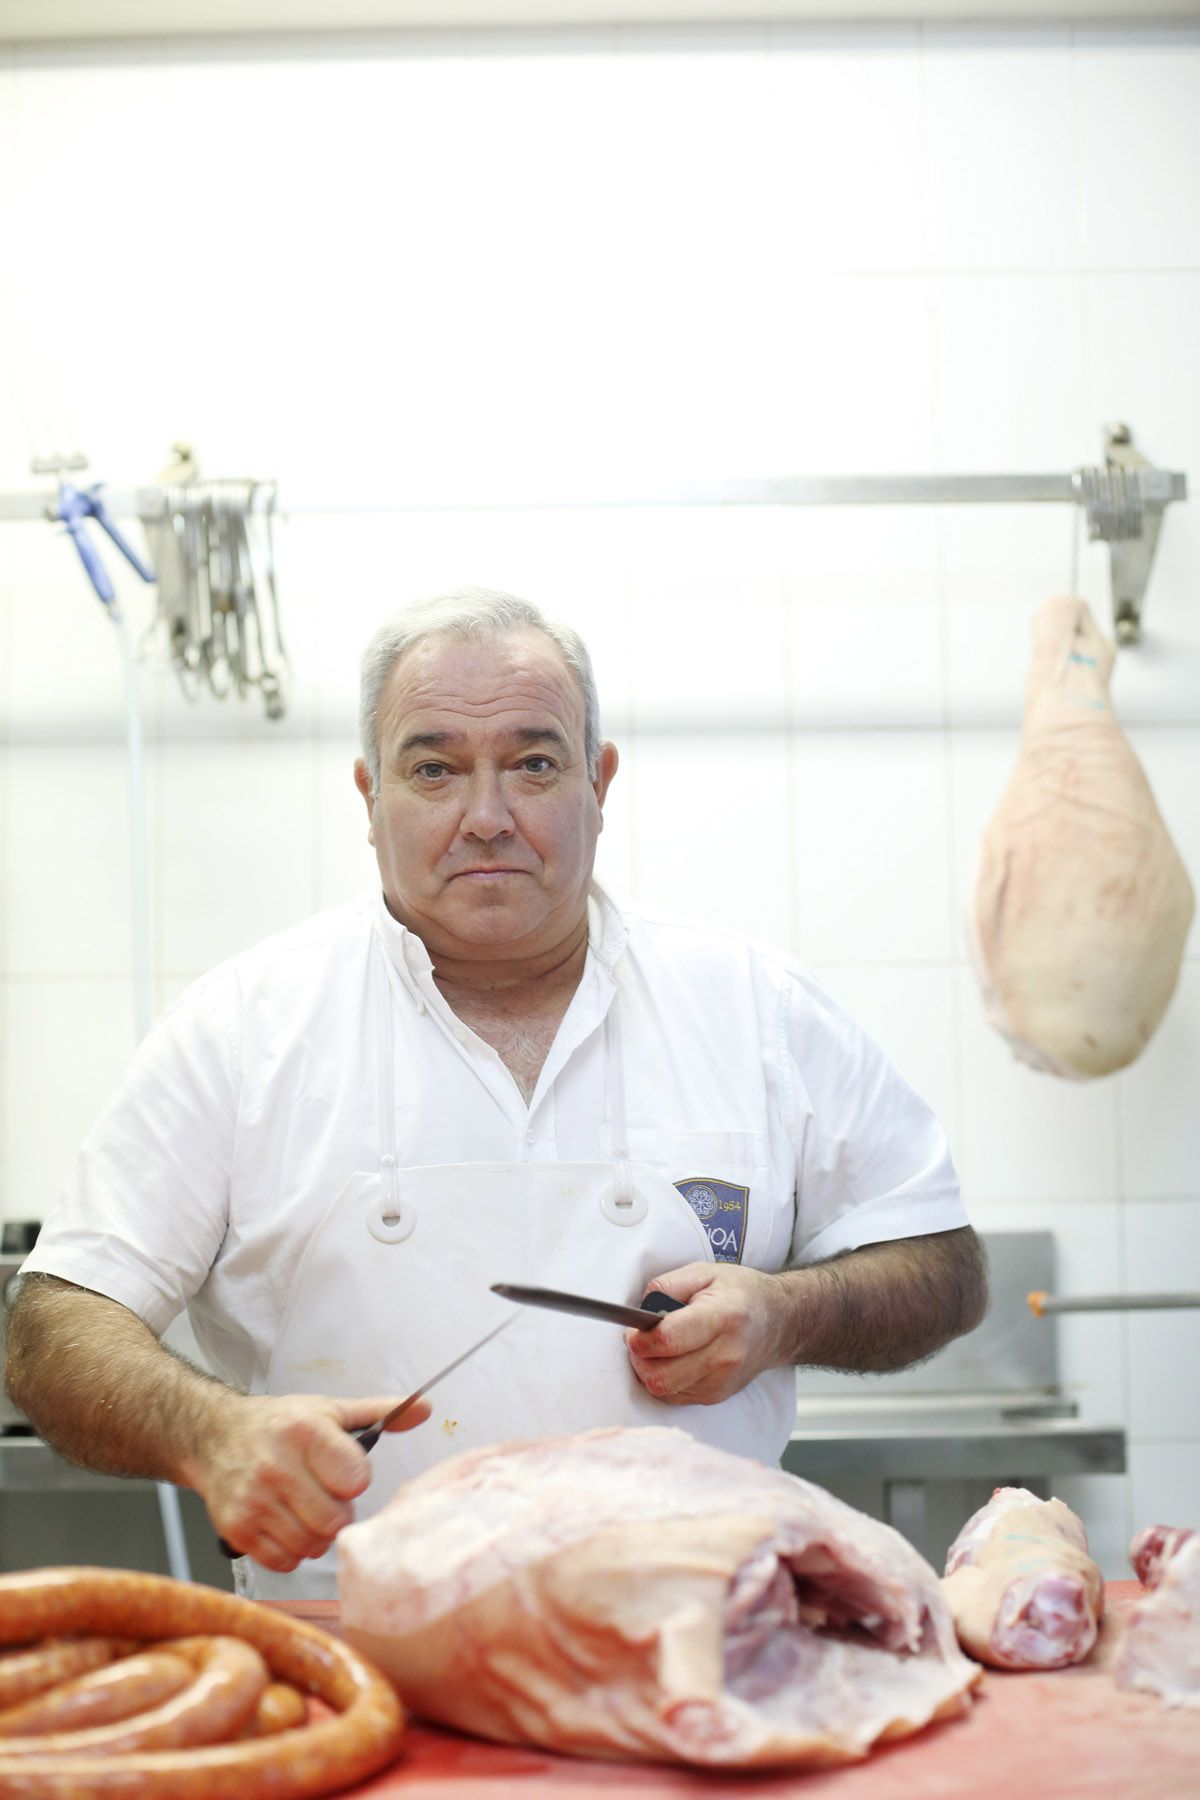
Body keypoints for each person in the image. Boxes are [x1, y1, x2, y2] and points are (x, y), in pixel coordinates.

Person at [5, 588, 986, 1598]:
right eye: (433, 769)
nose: (486, 818)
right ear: (369, 794)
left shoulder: (754, 1007)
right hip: (367, 1664)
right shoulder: (245, 1027)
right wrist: (211, 1433)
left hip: (704, 1645)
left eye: (534, 763)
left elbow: (945, 1268)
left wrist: (788, 1313)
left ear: (598, 784)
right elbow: (52, 1325)